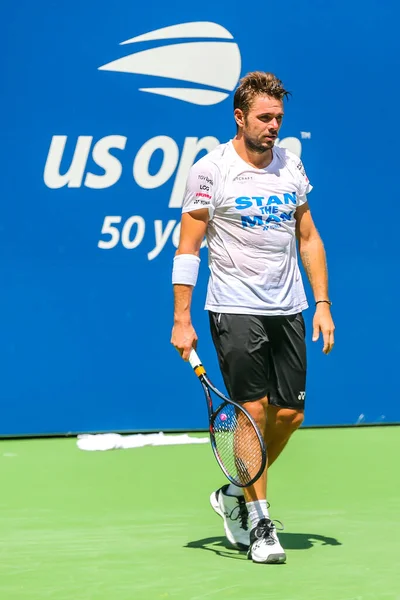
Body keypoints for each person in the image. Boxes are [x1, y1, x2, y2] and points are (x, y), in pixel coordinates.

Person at [170, 72, 335, 564]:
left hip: (290, 307)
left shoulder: (291, 165)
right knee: (253, 410)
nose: (273, 127)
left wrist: (322, 304)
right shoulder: (210, 171)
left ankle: (235, 494)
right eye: (264, 118)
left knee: (290, 414)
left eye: (279, 118)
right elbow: (188, 247)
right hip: (234, 305)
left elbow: (308, 237)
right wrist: (182, 317)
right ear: (239, 118)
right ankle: (261, 521)